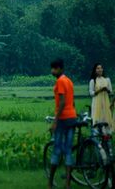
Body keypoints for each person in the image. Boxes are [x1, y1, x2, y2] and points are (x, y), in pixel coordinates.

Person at [48, 59, 77, 189]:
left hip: (63, 119)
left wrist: (55, 120)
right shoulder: (69, 81)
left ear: (59, 69)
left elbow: (63, 102)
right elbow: (72, 101)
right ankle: (67, 184)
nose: (52, 71)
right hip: (72, 117)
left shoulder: (60, 81)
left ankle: (50, 182)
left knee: (57, 150)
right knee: (68, 150)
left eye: (53, 69)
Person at [89, 63, 113, 131]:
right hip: (96, 103)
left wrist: (106, 90)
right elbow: (91, 93)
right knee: (97, 119)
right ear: (95, 70)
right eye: (98, 68)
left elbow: (110, 91)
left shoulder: (107, 80)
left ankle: (106, 136)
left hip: (105, 102)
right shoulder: (93, 81)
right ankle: (97, 135)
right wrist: (100, 90)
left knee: (105, 118)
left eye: (101, 68)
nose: (100, 70)